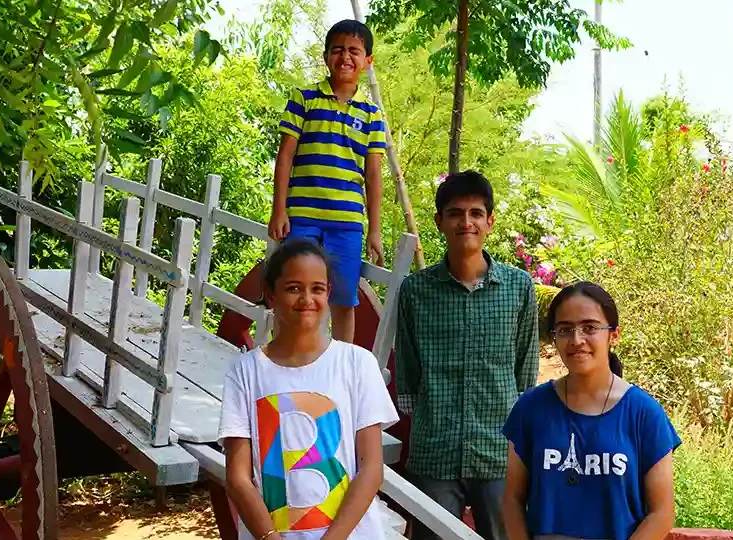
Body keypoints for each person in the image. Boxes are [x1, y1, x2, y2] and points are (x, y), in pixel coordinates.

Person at [219, 239, 399, 540]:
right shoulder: (246, 371)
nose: (306, 298)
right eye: (293, 288)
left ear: (328, 294)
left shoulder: (357, 363)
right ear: (271, 294)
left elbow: (371, 468)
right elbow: (238, 478)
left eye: (317, 288)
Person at [395, 170, 540, 540]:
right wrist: (428, 418)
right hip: (434, 451)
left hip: (498, 451)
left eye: (476, 213)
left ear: (490, 221)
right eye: (456, 213)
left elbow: (525, 370)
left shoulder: (519, 288)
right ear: (439, 221)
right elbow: (409, 371)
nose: (466, 222)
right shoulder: (415, 292)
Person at [501, 282, 680, 540]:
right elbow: (513, 500)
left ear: (613, 335)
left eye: (589, 328)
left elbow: (662, 512)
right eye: (565, 329)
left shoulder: (643, 413)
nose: (576, 340)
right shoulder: (531, 408)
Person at [267, 19, 387, 343]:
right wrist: (279, 210)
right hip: (301, 215)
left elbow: (373, 175)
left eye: (354, 51)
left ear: (367, 61)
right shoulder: (304, 99)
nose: (345, 57)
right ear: (325, 56)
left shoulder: (372, 115)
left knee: (343, 299)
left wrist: (373, 229)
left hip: (347, 222)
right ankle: (287, 355)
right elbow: (285, 156)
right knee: (292, 289)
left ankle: (340, 369)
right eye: (338, 49)